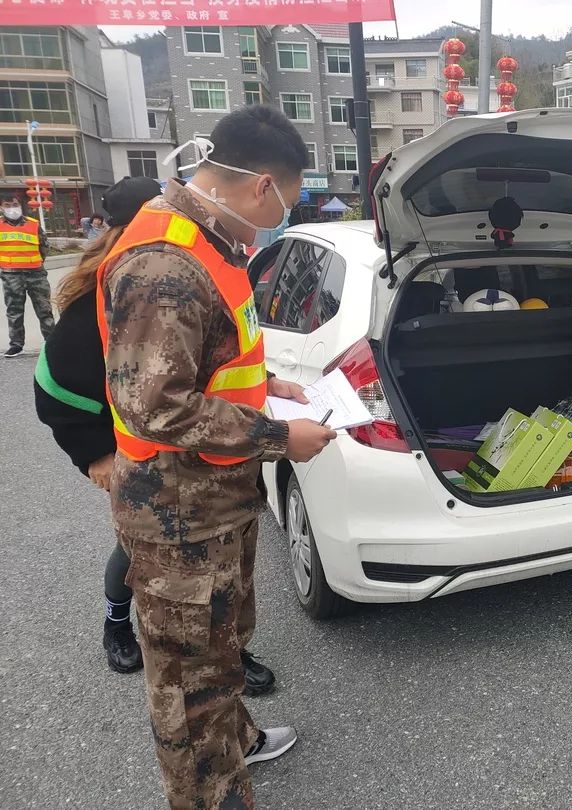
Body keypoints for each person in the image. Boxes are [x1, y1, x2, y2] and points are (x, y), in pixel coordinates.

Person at [98, 105, 337, 809]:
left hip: (213, 500)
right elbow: (157, 404)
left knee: (222, 648)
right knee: (191, 686)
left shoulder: (206, 239)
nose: (281, 218)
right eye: (287, 204)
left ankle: (238, 746)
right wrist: (278, 438)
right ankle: (212, 791)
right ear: (262, 186)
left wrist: (273, 387)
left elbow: (208, 362)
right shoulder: (164, 264)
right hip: (178, 516)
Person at [33, 177, 278, 692]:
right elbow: (55, 386)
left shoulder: (188, 269)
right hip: (138, 458)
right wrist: (94, 454)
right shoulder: (136, 280)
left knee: (203, 593)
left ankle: (226, 659)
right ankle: (117, 625)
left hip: (193, 456)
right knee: (139, 554)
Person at [2, 192, 53, 358]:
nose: (12, 209)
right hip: (11, 275)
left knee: (44, 309)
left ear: (20, 205)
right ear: (1, 207)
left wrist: (36, 262)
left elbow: (44, 247)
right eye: (7, 206)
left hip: (36, 273)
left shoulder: (34, 224)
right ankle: (16, 345)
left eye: (14, 205)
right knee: (14, 311)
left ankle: (51, 342)